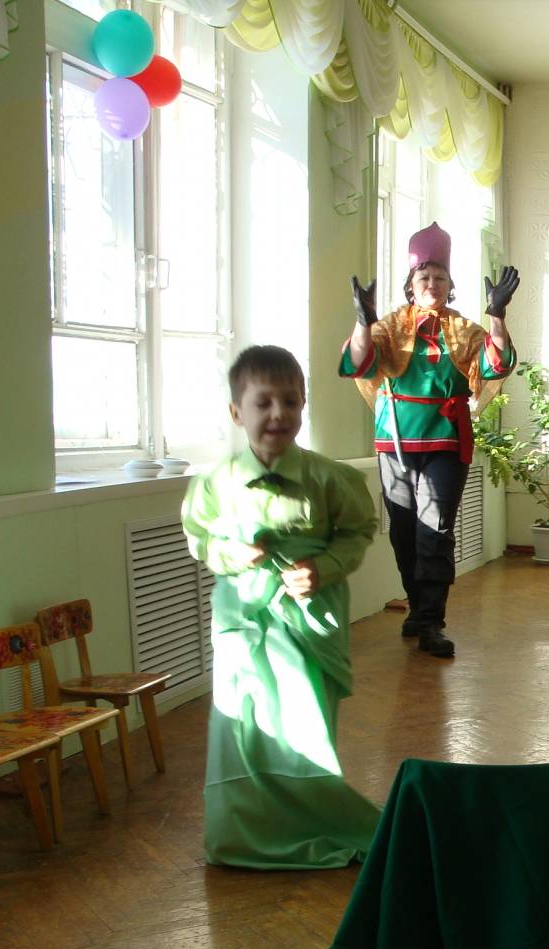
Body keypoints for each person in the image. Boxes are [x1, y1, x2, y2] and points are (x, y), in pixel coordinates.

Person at [182, 346, 380, 870]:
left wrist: (325, 567)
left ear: (303, 405)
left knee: (303, 726)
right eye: (263, 402)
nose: (278, 414)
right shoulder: (213, 482)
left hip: (307, 619)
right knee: (242, 729)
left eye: (290, 402)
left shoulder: (331, 478)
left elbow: (359, 531)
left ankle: (319, 824)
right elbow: (200, 538)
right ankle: (242, 836)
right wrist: (231, 553)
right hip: (241, 621)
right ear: (236, 412)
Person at [341, 223, 520, 659]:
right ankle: (418, 607)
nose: (432, 284)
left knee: (434, 531)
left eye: (440, 277)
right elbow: (358, 362)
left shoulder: (463, 330)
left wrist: (497, 316)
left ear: (449, 284)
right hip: (396, 442)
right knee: (404, 532)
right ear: (411, 283)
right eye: (424, 277)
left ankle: (431, 621)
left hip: (445, 441)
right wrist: (363, 321)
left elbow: (496, 364)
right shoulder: (389, 326)